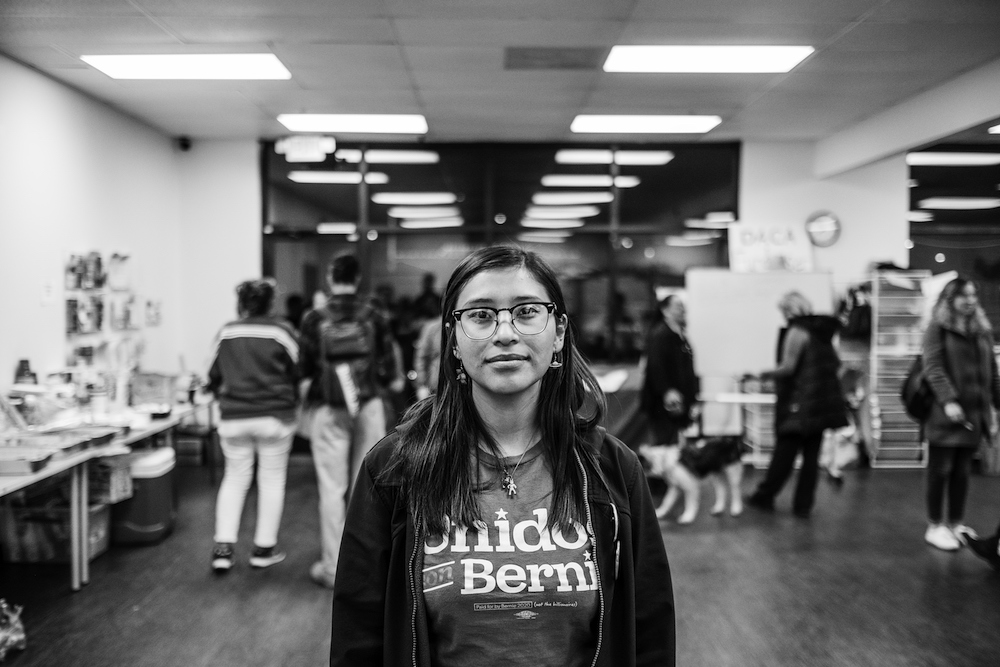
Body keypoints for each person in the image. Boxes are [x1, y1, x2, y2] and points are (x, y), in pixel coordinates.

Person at [329, 246, 675, 667]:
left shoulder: (613, 470)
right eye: (480, 315)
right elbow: (358, 635)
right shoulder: (394, 468)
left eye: (527, 312)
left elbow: (650, 631)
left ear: (559, 331)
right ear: (453, 340)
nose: (505, 332)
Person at [299, 253, 401, 588]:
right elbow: (387, 363)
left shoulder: (314, 317)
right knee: (368, 487)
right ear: (357, 279)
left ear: (330, 277)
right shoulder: (373, 314)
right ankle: (369, 568)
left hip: (330, 408)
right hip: (368, 404)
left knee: (332, 488)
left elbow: (303, 370)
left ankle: (332, 569)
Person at [205, 278, 300, 572]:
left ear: (241, 303)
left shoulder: (227, 331)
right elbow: (299, 370)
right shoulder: (281, 331)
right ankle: (263, 549)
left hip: (234, 417)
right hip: (274, 417)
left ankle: (223, 550)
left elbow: (212, 375)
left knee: (234, 478)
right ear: (270, 303)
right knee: (271, 481)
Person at [747, 290, 848, 518]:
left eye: (783, 311)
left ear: (790, 309)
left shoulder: (797, 331)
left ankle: (764, 496)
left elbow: (788, 367)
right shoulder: (822, 331)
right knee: (811, 458)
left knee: (784, 453)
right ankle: (803, 506)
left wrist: (759, 374)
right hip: (819, 404)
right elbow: (836, 366)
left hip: (797, 404)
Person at [919, 277, 1000, 551]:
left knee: (962, 473)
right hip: (946, 416)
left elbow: (993, 373)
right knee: (940, 471)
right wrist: (948, 400)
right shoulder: (937, 328)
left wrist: (996, 406)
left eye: (973, 295)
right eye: (963, 295)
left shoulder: (982, 331)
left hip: (974, 418)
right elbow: (933, 367)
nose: (970, 300)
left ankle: (955, 523)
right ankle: (934, 525)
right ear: (949, 299)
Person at [641, 294, 698, 448]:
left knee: (674, 446)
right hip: (663, 406)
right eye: (678, 306)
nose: (682, 310)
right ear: (665, 311)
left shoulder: (680, 336)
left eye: (683, 306)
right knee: (663, 449)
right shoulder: (660, 334)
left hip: (680, 405)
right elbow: (655, 365)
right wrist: (667, 391)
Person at [413, 317, 442, 400]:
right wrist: (422, 385)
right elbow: (422, 357)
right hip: (436, 385)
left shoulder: (462, 325)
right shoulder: (432, 328)